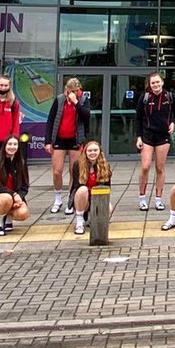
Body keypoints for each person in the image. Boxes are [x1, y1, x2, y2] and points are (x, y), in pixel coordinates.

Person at [136, 72, 175, 212]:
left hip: (163, 136)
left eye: (157, 82)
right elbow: (138, 118)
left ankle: (158, 199)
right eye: (153, 83)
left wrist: (173, 123)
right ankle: (142, 198)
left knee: (160, 168)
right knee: (145, 166)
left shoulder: (170, 97)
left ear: (162, 82)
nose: (155, 85)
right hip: (147, 135)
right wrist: (138, 137)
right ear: (149, 85)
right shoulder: (145, 98)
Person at [45, 78, 91, 215]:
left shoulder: (83, 100)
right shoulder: (60, 100)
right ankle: (57, 198)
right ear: (66, 89)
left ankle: (71, 200)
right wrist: (48, 141)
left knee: (73, 171)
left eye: (76, 91)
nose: (73, 93)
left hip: (75, 139)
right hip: (59, 139)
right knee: (57, 171)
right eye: (71, 91)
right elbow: (51, 120)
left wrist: (76, 103)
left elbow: (86, 116)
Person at [0, 135, 30, 236]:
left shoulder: (21, 163)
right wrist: (14, 195)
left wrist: (19, 198)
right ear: (4, 146)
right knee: (6, 198)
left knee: (23, 213)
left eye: (15, 144)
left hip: (15, 198)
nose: (12, 147)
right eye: (9, 144)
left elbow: (25, 186)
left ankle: (9, 219)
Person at [69, 139, 111, 235]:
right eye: (90, 151)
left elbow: (107, 188)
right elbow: (77, 186)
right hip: (82, 198)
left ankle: (92, 218)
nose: (92, 153)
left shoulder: (105, 166)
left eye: (95, 150)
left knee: (109, 208)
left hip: (97, 197)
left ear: (100, 151)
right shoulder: (78, 165)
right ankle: (79, 221)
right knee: (83, 189)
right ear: (85, 152)